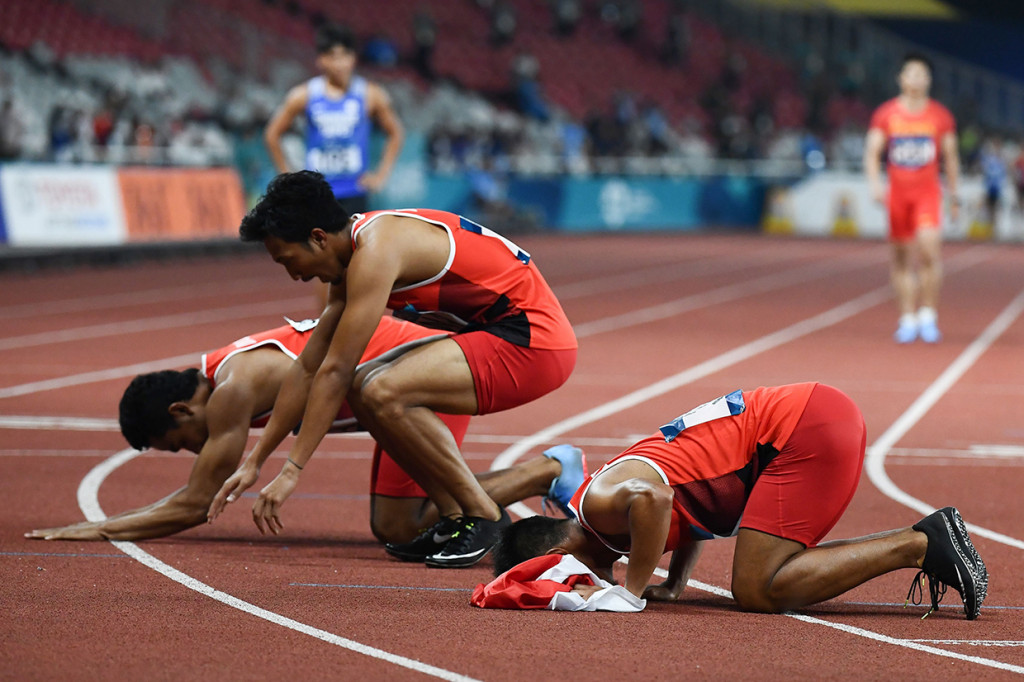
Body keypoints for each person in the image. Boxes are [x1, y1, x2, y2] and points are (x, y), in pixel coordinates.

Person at [213, 170, 578, 568]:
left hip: (534, 341)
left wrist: (292, 470)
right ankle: (456, 516)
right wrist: (255, 461)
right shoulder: (354, 253)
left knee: (382, 389)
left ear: (318, 237)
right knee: (363, 386)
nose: (294, 274)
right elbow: (307, 368)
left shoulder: (377, 250)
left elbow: (333, 369)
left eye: (287, 259)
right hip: (497, 332)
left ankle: (484, 515)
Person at [26, 316, 586, 544]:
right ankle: (545, 471)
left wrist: (98, 528)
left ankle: (550, 469)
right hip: (391, 387)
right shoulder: (225, 371)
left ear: (180, 410)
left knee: (409, 521)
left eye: (182, 443)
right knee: (396, 525)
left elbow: (198, 503)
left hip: (413, 385)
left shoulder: (231, 392)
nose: (192, 451)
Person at [494, 383, 988, 620]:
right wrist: (675, 581)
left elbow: (656, 496)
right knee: (764, 577)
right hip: (808, 423)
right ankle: (920, 542)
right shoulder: (608, 520)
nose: (583, 582)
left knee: (757, 589)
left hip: (801, 432)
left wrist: (632, 590)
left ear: (558, 558)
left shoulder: (597, 506)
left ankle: (919, 544)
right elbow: (684, 511)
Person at [264, 23, 404, 307]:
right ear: (321, 60)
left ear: (353, 58)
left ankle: (359, 324)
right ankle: (325, 326)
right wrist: (286, 174)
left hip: (355, 191)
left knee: (362, 261)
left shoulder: (369, 95)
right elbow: (272, 134)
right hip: (319, 193)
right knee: (323, 265)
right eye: (332, 57)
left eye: (344, 56)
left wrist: (381, 175)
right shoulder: (305, 95)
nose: (339, 64)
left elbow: (395, 132)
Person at [864, 52, 961, 344]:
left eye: (922, 74)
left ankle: (928, 314)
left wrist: (954, 195)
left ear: (929, 80)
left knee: (930, 250)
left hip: (927, 193)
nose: (916, 79)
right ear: (901, 79)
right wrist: (874, 183)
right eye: (911, 74)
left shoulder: (940, 116)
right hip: (898, 194)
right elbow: (872, 152)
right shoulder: (886, 114)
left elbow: (951, 157)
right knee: (902, 259)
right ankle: (907, 317)